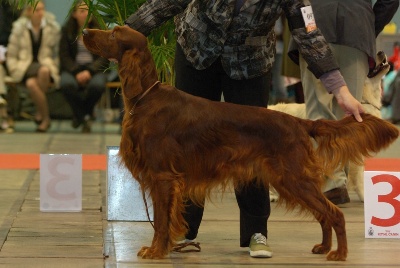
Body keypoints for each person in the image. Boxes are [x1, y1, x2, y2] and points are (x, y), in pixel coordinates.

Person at [124, 0, 366, 258]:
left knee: (259, 149)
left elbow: (308, 32)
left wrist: (340, 89)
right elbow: (166, 3)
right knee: (183, 152)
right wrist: (124, 32)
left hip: (249, 62)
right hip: (198, 52)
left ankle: (255, 232)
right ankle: (182, 230)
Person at [290, 0, 399, 205]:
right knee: (350, 115)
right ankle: (337, 183)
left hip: (314, 25)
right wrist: (369, 24)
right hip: (356, 26)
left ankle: (332, 183)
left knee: (319, 111)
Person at [6, 0, 60, 132]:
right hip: (24, 66)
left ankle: (39, 112)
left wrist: (55, 66)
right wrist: (14, 69)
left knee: (34, 82)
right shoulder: (19, 28)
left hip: (44, 64)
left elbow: (57, 53)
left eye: (42, 9)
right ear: (29, 12)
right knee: (43, 71)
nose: (41, 13)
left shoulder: (52, 27)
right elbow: (11, 54)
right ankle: (45, 117)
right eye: (37, 10)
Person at [59, 0, 109, 133]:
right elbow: (63, 56)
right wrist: (76, 71)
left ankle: (79, 116)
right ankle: (86, 116)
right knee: (66, 84)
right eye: (82, 11)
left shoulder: (100, 31)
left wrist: (90, 71)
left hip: (94, 69)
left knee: (97, 86)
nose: (86, 14)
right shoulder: (67, 31)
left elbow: (104, 57)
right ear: (74, 14)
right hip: (73, 68)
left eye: (88, 11)